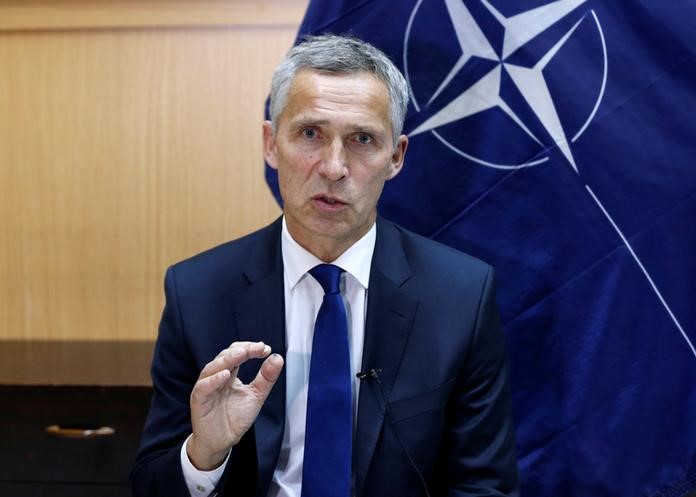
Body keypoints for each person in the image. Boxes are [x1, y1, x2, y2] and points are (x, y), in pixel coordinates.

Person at [130, 34, 519, 497]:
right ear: (271, 144)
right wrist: (205, 453)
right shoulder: (197, 292)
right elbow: (150, 486)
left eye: (362, 140)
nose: (334, 168)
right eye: (310, 134)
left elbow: (484, 487)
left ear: (395, 157)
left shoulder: (461, 295)